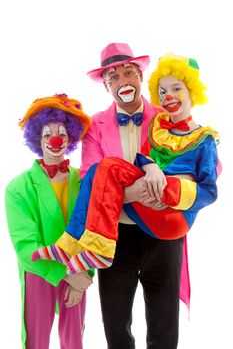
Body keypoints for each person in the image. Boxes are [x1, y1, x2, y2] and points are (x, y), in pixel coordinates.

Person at [33, 44, 209, 349]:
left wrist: (166, 185)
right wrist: (134, 191)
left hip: (163, 236)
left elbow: (192, 161)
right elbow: (91, 176)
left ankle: (69, 243)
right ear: (106, 85)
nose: (122, 80)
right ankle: (75, 244)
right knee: (115, 326)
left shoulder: (165, 115)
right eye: (113, 76)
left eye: (129, 72)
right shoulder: (95, 126)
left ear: (140, 76)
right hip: (113, 234)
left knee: (165, 326)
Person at [5, 94, 94, 349]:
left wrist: (84, 273)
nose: (55, 140)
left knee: (74, 339)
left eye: (62, 134)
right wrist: (67, 274)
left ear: (70, 139)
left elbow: (95, 232)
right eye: (47, 135)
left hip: (78, 269)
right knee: (36, 340)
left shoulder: (84, 180)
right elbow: (26, 247)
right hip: (41, 273)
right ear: (38, 139)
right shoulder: (18, 188)